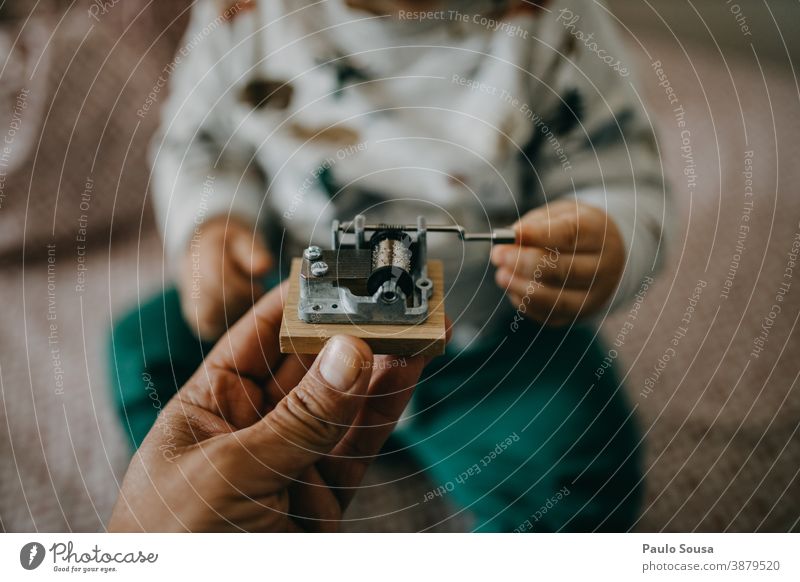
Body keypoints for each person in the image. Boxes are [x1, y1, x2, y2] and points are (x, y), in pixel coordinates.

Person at [110, 0, 671, 531]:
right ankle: (232, 490)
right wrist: (212, 226)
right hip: (292, 323)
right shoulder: (243, 14)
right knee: (145, 350)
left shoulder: (557, 20)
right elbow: (203, 143)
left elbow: (617, 166)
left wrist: (607, 238)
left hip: (488, 342)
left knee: (584, 460)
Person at [110, 284, 433, 531]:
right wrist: (213, 227)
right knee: (136, 336)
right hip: (277, 279)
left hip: (454, 376)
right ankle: (189, 476)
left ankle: (210, 478)